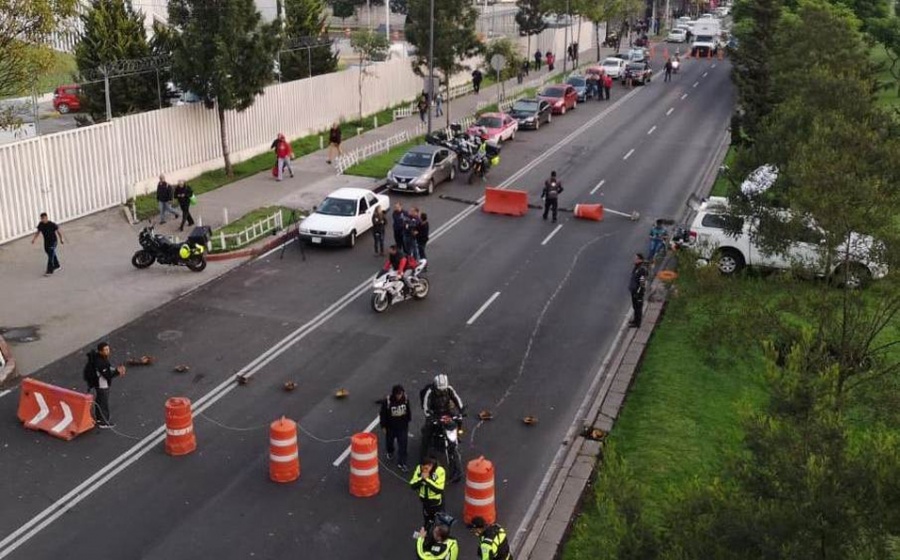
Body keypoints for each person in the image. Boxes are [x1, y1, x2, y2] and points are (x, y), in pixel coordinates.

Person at [83, 342, 126, 428]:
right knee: (103, 403)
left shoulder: (100, 358)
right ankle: (103, 422)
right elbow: (107, 375)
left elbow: (108, 368)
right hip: (102, 385)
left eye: (108, 349)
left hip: (98, 384)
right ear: (100, 351)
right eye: (106, 350)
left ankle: (99, 418)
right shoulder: (101, 362)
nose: (108, 351)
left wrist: (115, 369)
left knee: (99, 401)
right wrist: (117, 372)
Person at [410, 457, 448, 532]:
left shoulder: (440, 471)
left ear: (431, 465)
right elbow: (412, 485)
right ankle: (425, 536)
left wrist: (427, 480)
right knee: (427, 521)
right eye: (422, 468)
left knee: (441, 523)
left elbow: (439, 489)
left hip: (436, 503)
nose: (423, 470)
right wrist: (421, 479)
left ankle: (441, 537)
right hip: (425, 502)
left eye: (426, 468)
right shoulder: (419, 468)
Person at [380, 384, 412, 471]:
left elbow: (408, 410)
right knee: (389, 442)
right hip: (391, 427)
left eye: (400, 394)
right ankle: (390, 451)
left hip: (402, 427)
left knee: (403, 445)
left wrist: (408, 420)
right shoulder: (388, 401)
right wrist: (383, 426)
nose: (399, 396)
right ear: (394, 394)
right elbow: (383, 414)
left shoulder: (405, 399)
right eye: (398, 394)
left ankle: (402, 463)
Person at [628, 253, 649, 328]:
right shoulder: (636, 267)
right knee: (635, 306)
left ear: (640, 259)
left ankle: (637, 323)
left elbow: (642, 283)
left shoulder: (642, 270)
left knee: (638, 307)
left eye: (636, 258)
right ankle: (635, 320)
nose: (634, 260)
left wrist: (638, 292)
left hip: (638, 292)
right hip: (634, 291)